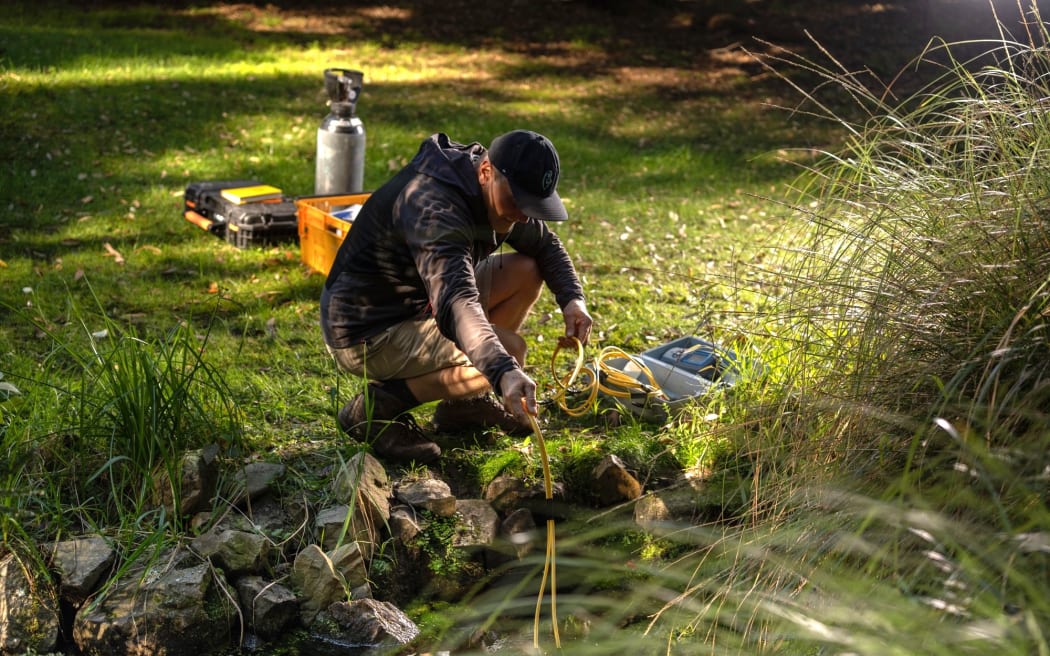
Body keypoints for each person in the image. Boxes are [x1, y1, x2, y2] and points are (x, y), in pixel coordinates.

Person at [320, 129, 593, 463]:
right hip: (367, 331)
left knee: (527, 269)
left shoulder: (495, 191)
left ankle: (465, 404)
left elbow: (546, 246)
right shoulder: (435, 209)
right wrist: (502, 370)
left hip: (422, 303)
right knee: (509, 351)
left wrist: (572, 299)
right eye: (519, 202)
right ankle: (375, 408)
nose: (524, 215)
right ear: (486, 171)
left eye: (534, 205)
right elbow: (456, 302)